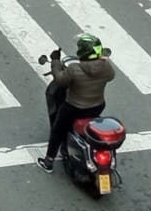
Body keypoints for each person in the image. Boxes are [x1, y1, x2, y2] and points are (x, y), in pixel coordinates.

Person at [38, 34, 114, 172]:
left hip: (75, 108)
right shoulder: (105, 66)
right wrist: (103, 60)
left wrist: (55, 61)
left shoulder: (74, 69)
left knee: (57, 130)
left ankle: (48, 161)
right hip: (97, 106)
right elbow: (111, 76)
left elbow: (61, 80)